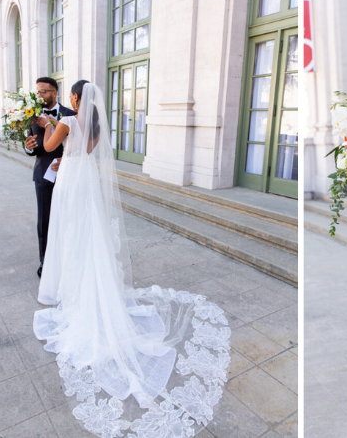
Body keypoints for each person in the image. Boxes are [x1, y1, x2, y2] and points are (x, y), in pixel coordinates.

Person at [32, 81, 230, 436]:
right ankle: (90, 284)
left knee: (71, 236)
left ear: (75, 98)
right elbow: (86, 152)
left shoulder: (68, 121)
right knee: (89, 237)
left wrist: (47, 127)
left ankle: (71, 289)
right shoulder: (93, 126)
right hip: (86, 179)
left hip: (70, 182)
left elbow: (49, 147)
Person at [23, 77, 76, 278]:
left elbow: (79, 146)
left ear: (55, 93)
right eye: (38, 92)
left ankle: (67, 259)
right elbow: (32, 143)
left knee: (68, 217)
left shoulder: (71, 114)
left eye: (44, 91)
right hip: (43, 176)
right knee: (44, 219)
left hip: (69, 174)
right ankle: (45, 262)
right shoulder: (32, 114)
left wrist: (65, 159)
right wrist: (27, 148)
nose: (40, 95)